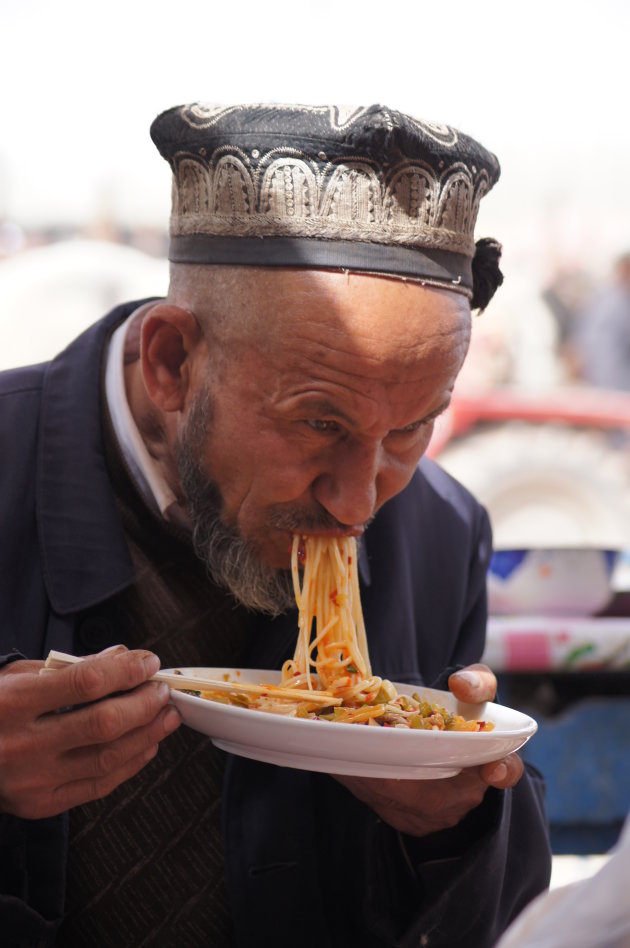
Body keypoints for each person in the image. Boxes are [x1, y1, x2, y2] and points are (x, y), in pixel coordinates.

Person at [0, 103, 551, 948]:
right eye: (320, 424)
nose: (362, 503)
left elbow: (506, 915)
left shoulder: (440, 534)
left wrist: (454, 822)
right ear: (173, 363)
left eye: (409, 430)